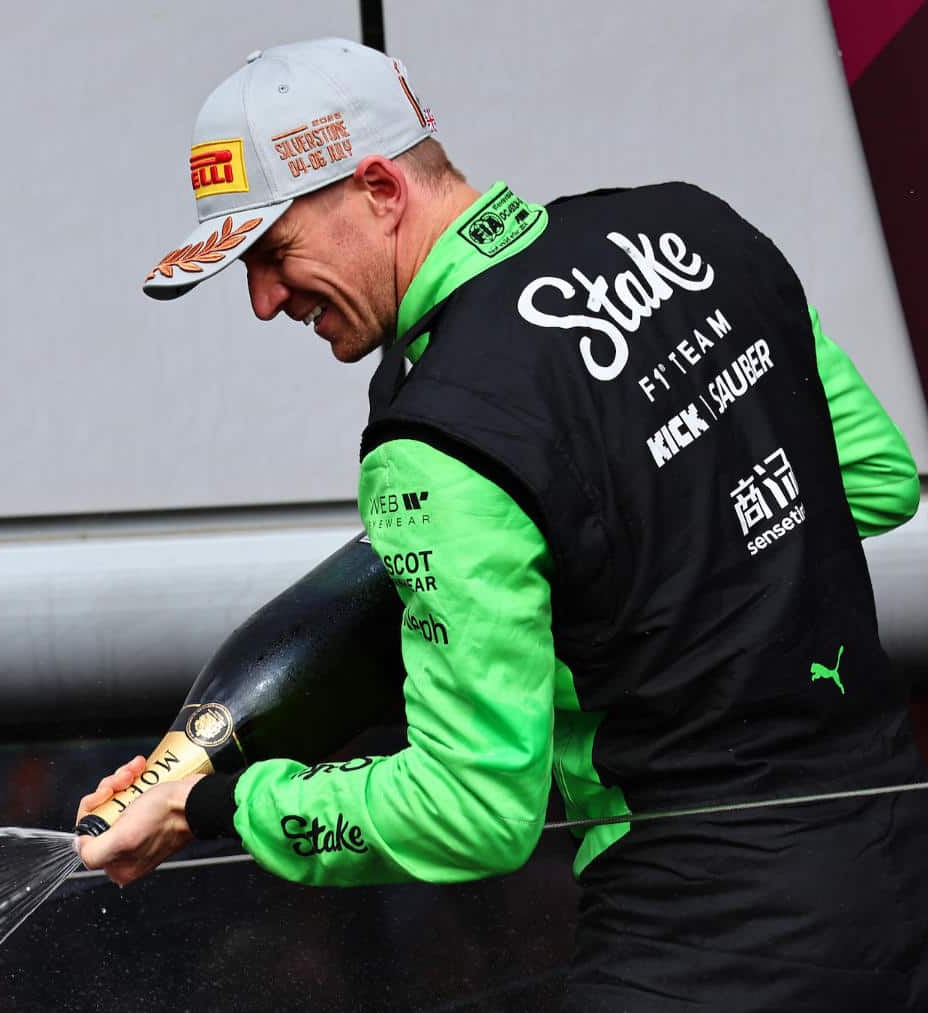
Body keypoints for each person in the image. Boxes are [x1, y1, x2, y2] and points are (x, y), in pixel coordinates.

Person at [76, 37, 927, 1010]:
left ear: (379, 189)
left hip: (700, 943)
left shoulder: (443, 431)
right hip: (889, 882)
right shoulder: (698, 229)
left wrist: (218, 801)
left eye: (274, 254)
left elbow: (475, 808)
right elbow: (872, 477)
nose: (266, 301)